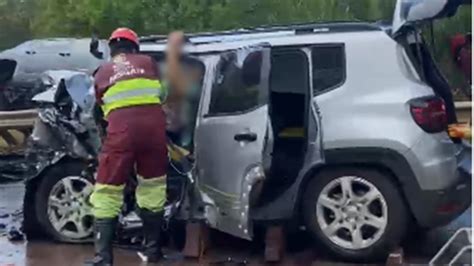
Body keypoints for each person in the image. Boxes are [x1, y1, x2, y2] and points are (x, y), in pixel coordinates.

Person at [85, 28, 185, 266]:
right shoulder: (149, 64)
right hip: (153, 134)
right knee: (152, 190)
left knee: (107, 193)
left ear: (112, 49)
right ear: (135, 47)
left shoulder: (103, 71)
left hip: (121, 136)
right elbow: (163, 95)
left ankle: (103, 259)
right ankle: (153, 253)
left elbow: (100, 105)